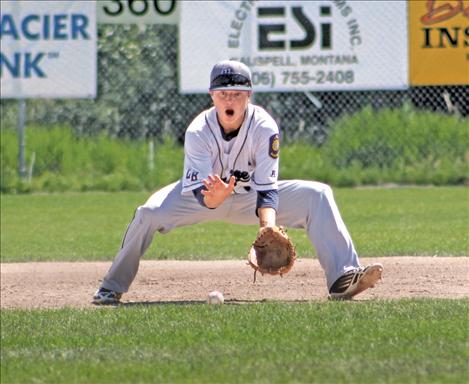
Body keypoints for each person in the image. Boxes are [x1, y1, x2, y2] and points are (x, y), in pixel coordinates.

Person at [92, 60, 383, 305]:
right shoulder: (198, 131)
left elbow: (268, 189)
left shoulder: (264, 126)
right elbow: (199, 196)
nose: (230, 100)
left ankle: (342, 277)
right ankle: (112, 286)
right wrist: (215, 198)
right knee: (148, 214)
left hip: (250, 199)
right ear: (211, 96)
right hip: (202, 199)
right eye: (223, 94)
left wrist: (267, 227)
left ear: (249, 95)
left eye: (237, 93)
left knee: (318, 194)